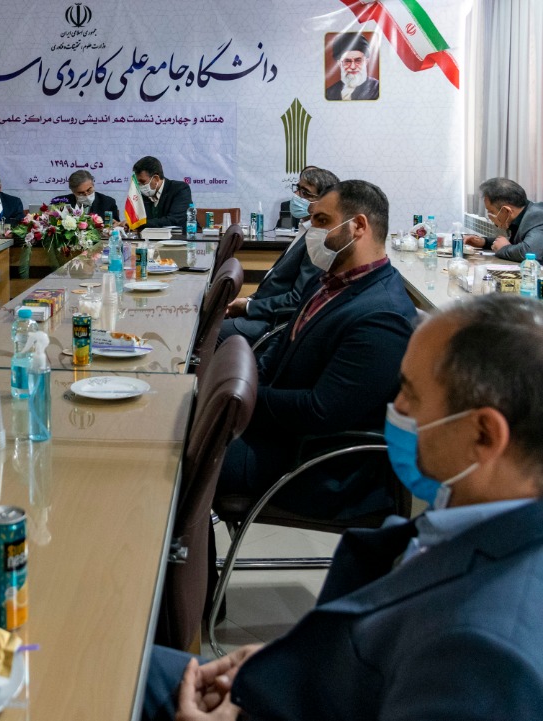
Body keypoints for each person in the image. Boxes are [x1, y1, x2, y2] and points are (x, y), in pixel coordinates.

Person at [145, 293, 543, 721]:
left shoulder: (486, 654)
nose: (396, 408)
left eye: (409, 393)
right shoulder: (480, 514)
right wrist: (286, 663)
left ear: (483, 434)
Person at [216, 180, 417, 517]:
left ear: (358, 226)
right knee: (177, 436)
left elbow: (320, 411)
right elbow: (282, 342)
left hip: (313, 465)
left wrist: (238, 399)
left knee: (176, 463)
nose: (312, 230)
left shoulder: (383, 315)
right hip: (275, 432)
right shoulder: (326, 281)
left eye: (322, 221)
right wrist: (244, 386)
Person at [219, 166, 339, 345]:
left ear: (323, 201)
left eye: (305, 192)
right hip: (262, 312)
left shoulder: (318, 240)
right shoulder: (305, 230)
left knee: (208, 332)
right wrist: (248, 300)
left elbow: (298, 299)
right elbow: (276, 285)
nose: (296, 195)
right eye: (297, 188)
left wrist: (248, 306)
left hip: (272, 324)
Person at [464, 177, 543, 263]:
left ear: (506, 211)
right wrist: (484, 242)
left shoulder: (537, 216)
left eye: (491, 211)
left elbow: (529, 253)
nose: (489, 216)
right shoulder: (524, 214)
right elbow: (519, 243)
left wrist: (503, 248)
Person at [131, 156, 192, 228]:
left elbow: (173, 220)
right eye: (138, 182)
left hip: (183, 234)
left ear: (156, 178)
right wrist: (129, 224)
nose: (140, 186)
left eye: (142, 182)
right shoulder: (143, 194)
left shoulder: (180, 189)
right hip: (151, 234)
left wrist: (138, 224)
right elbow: (139, 219)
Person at [325, 33, 380, 101]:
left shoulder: (377, 89)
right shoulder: (329, 93)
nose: (353, 67)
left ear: (366, 62)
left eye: (358, 60)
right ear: (339, 63)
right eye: (347, 61)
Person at [51, 170, 119, 219]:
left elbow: (116, 225)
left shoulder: (108, 202)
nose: (86, 195)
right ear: (73, 191)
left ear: (93, 185)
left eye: (89, 190)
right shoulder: (60, 203)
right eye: (81, 193)